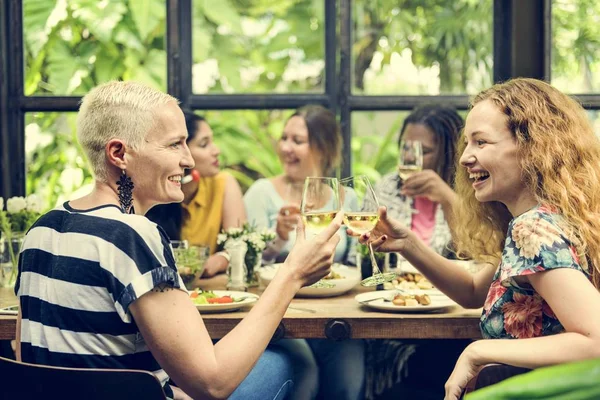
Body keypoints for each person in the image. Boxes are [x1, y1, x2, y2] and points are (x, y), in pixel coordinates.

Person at [14, 81, 343, 400]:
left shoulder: (41, 229)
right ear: (119, 153)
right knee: (292, 363)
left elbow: (24, 354)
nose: (187, 161)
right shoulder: (132, 236)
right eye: (174, 145)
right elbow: (212, 384)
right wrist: (292, 273)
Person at [350, 78, 600, 400]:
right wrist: (407, 243)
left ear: (532, 146)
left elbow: (595, 341)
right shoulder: (550, 217)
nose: (465, 157)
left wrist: (477, 352)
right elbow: (472, 292)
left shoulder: (533, 229)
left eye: (481, 142)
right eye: (466, 144)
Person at [244, 105, 365, 400]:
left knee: (349, 380)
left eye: (297, 141)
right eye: (284, 138)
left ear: (323, 148)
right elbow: (247, 267)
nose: (286, 147)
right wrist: (278, 238)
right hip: (281, 317)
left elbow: (354, 262)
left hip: (337, 312)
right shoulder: (262, 193)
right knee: (305, 376)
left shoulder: (348, 198)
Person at [357, 105, 466, 400]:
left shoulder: (468, 190)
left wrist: (446, 197)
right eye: (406, 148)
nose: (410, 159)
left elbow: (471, 255)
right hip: (393, 305)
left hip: (449, 310)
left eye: (424, 151)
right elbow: (367, 253)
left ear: (449, 152)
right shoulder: (386, 187)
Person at [146, 111, 246, 278]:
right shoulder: (153, 191)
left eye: (212, 142)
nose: (216, 151)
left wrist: (222, 258)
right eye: (204, 144)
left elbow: (239, 242)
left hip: (210, 289)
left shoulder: (223, 183)